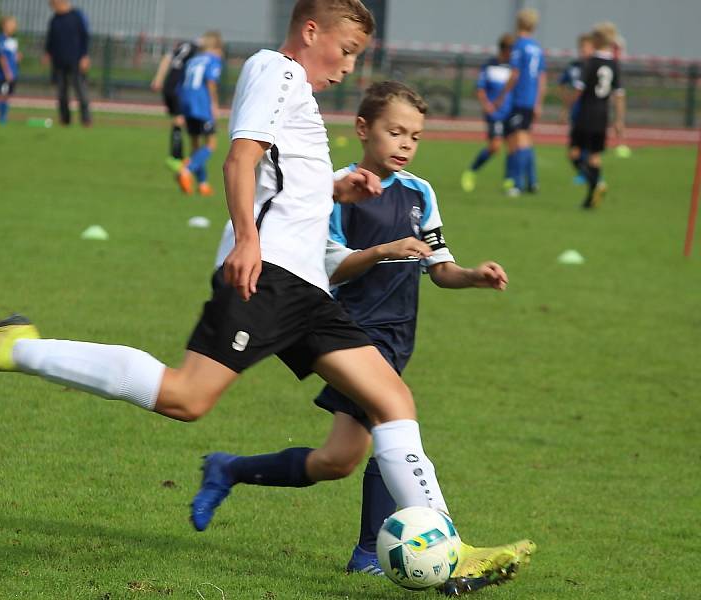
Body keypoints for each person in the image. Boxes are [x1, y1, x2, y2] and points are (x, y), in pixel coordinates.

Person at [0, 1, 528, 592]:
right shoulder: (276, 69)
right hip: (267, 273)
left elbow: (282, 177)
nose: (348, 67)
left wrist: (337, 189)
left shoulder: (301, 96)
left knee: (392, 399)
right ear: (311, 31)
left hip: (308, 289)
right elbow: (240, 157)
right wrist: (246, 238)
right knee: (186, 397)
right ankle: (18, 347)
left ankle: (452, 549)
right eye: (345, 51)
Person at [190, 80, 534, 588]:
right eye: (396, 132)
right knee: (387, 424)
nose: (405, 145)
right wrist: (383, 251)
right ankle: (386, 551)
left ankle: (229, 469)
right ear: (362, 129)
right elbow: (332, 269)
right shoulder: (332, 191)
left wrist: (472, 276)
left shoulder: (421, 193)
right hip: (350, 331)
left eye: (415, 137)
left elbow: (439, 267)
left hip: (398, 337)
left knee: (338, 459)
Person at [569, 25, 625, 209]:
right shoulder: (614, 64)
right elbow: (619, 95)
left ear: (596, 41)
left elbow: (579, 88)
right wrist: (619, 120)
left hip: (586, 113)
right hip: (602, 116)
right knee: (594, 156)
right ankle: (590, 200)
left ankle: (596, 183)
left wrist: (566, 108)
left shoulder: (590, 62)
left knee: (574, 153)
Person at [494, 9, 546, 197]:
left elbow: (515, 74)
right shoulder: (537, 47)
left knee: (517, 141)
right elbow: (542, 78)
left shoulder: (519, 46)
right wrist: (539, 102)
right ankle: (532, 182)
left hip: (520, 99)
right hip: (531, 100)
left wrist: (501, 95)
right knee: (526, 139)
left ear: (519, 24)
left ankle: (516, 184)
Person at [460, 34, 514, 193]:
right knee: (495, 146)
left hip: (511, 111)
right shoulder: (490, 65)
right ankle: (471, 171)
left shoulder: (514, 67)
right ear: (505, 50)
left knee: (513, 147)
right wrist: (486, 105)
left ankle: (509, 181)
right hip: (496, 113)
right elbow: (480, 87)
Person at [176, 31, 224, 197]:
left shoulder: (193, 60)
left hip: (187, 102)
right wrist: (214, 104)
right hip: (202, 103)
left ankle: (202, 184)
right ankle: (186, 170)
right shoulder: (213, 60)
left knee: (195, 146)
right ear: (217, 47)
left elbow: (182, 83)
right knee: (211, 144)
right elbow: (211, 82)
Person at [151, 38, 198, 172]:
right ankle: (175, 157)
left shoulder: (183, 46)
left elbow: (166, 58)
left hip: (169, 86)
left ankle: (178, 156)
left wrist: (158, 79)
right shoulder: (197, 51)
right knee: (181, 120)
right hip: (179, 88)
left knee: (178, 120)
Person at [44, 0, 91, 126]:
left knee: (80, 90)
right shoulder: (54, 19)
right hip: (59, 62)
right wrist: (47, 53)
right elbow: (50, 39)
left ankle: (86, 119)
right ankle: (65, 119)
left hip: (76, 61)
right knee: (61, 92)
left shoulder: (76, 16)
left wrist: (85, 56)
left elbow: (85, 37)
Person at [559, 33, 593, 185]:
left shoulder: (595, 66)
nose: (583, 50)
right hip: (576, 112)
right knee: (573, 152)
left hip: (591, 113)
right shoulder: (574, 67)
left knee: (587, 147)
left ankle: (589, 176)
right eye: (581, 47)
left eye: (586, 47)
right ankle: (589, 175)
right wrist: (566, 106)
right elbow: (562, 83)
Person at [0, 16, 21, 125]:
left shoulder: (13, 41)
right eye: (11, 25)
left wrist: (17, 57)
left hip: (13, 73)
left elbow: (12, 56)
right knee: (0, 94)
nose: (14, 27)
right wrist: (7, 72)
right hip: (4, 74)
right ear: (4, 26)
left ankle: (3, 116)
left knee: (7, 96)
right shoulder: (1, 39)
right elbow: (2, 57)